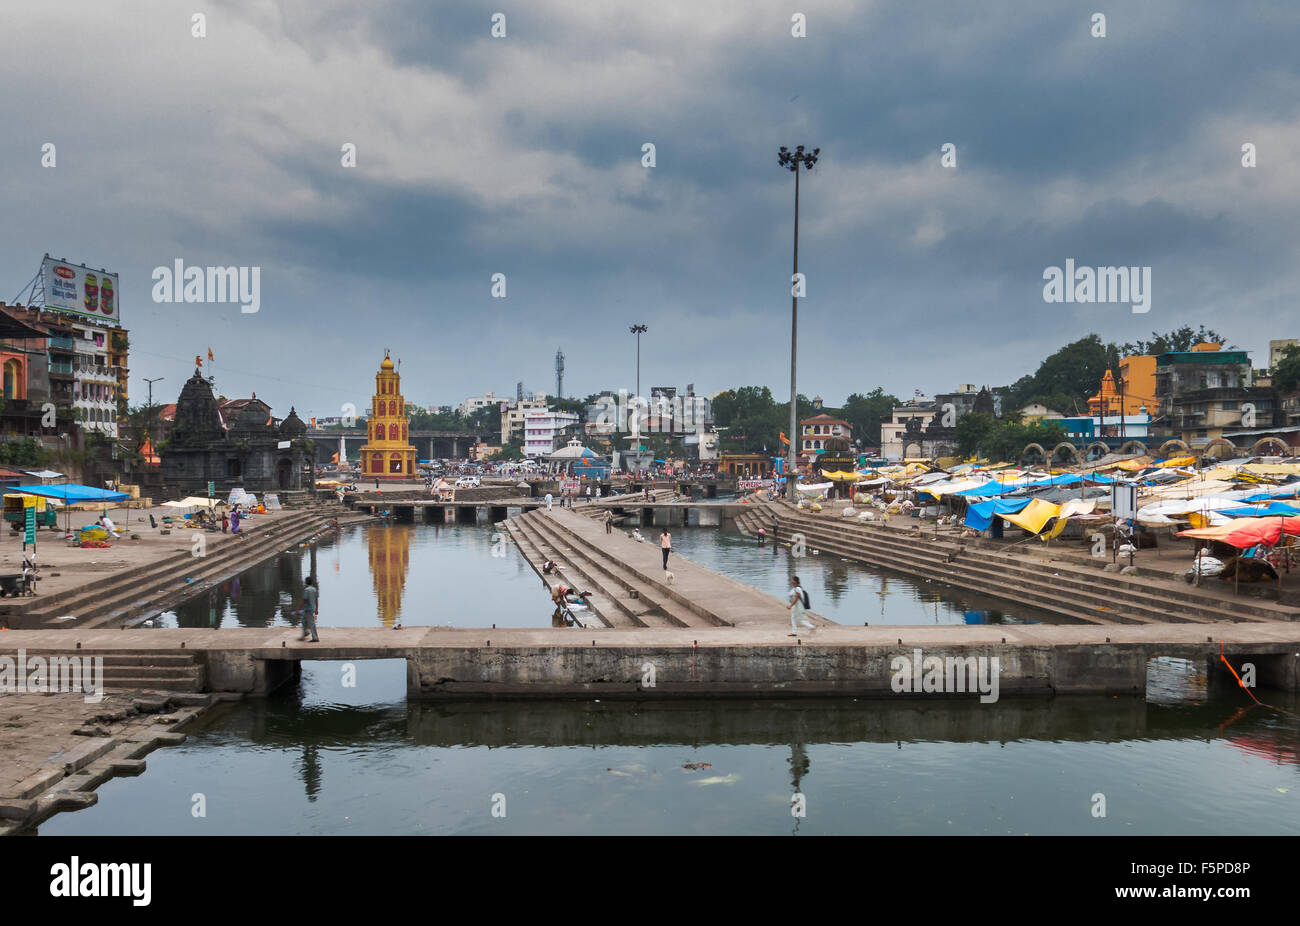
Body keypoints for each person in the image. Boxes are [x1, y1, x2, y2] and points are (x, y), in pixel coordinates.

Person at [299, 576, 320, 642]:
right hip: (312, 608)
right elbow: (316, 600)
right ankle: (305, 634)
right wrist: (316, 609)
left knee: (311, 623)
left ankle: (315, 638)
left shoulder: (307, 590)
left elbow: (304, 600)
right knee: (303, 621)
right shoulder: (314, 589)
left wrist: (298, 609)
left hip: (308, 609)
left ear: (306, 582)